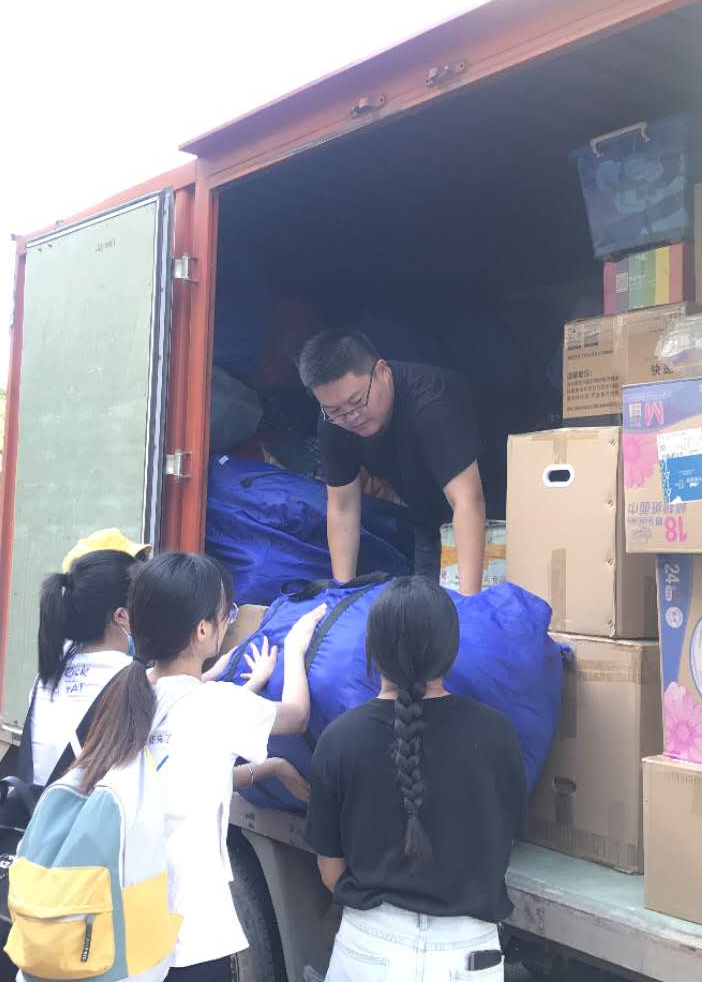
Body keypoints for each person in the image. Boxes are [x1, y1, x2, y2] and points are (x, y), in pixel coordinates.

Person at [74, 552, 324, 980]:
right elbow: (298, 715)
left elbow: (180, 779)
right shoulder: (217, 706)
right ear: (204, 629)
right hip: (187, 937)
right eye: (228, 614)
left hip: (119, 927)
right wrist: (297, 647)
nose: (229, 622)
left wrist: (271, 765)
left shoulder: (123, 696)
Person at [304, 577, 525, 980]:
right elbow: (505, 840)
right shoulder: (499, 733)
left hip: (369, 951)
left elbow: (330, 870)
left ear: (371, 649)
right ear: (451, 650)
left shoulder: (339, 739)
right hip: (470, 957)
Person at [298, 329, 488, 594]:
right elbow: (342, 508)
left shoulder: (432, 403)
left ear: (382, 371)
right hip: (428, 518)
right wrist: (342, 592)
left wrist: (471, 603)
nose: (351, 417)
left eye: (357, 401)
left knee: (487, 609)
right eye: (335, 410)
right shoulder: (334, 422)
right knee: (427, 609)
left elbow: (468, 500)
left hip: (492, 511)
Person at [27, 549, 139, 785]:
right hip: (84, 808)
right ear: (121, 616)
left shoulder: (45, 678)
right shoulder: (133, 680)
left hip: (40, 806)